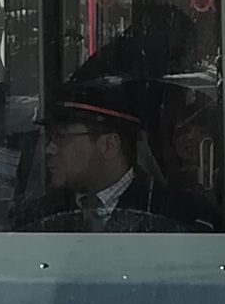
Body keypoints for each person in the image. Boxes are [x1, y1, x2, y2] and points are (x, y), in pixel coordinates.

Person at [13, 89, 214, 233]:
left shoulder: (178, 216)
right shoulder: (36, 216)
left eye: (61, 137)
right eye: (49, 139)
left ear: (109, 145)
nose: (49, 149)